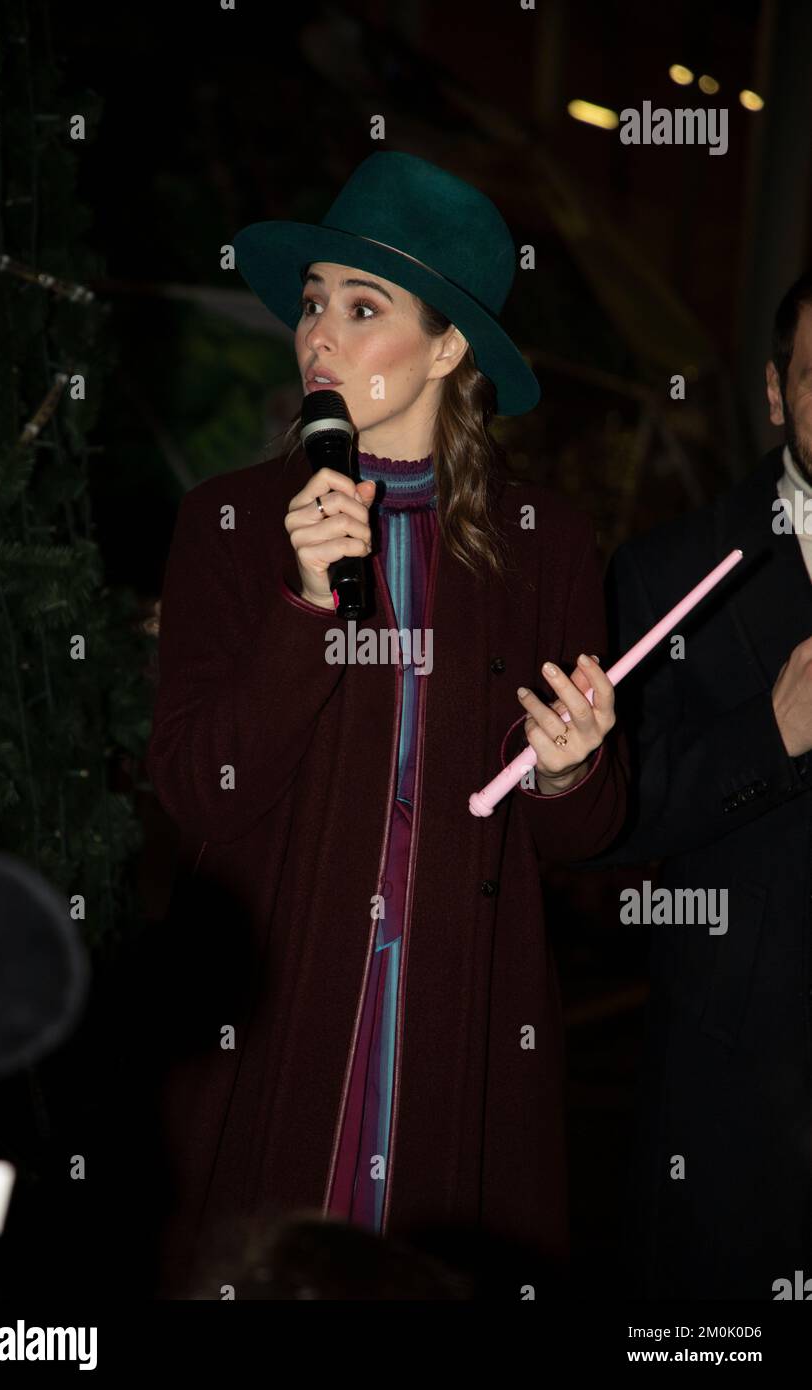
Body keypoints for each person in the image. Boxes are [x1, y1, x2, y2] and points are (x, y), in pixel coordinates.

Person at [146, 150, 627, 1298]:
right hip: (279, 997)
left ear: (448, 346)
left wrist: (570, 770)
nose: (317, 331)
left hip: (457, 1013)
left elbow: (585, 837)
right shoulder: (227, 522)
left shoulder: (541, 544)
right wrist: (304, 606)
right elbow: (199, 789)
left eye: (363, 307)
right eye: (313, 300)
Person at [589, 268, 812, 1299]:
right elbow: (615, 809)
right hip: (742, 1088)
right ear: (774, 392)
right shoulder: (675, 569)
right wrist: (769, 736)